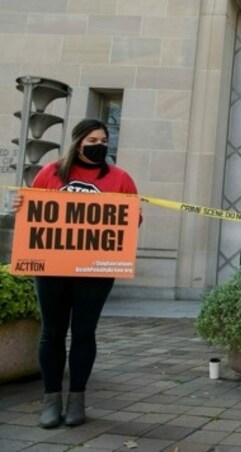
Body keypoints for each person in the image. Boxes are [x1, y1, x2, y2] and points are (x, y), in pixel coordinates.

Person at [13, 119, 139, 428]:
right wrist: (19, 204)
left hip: (94, 271)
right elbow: (32, 213)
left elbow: (132, 222)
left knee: (84, 333)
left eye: (104, 139)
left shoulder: (121, 179)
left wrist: (129, 214)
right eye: (93, 139)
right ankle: (51, 399)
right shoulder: (50, 173)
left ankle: (77, 399)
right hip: (52, 268)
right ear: (78, 142)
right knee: (52, 333)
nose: (99, 145)